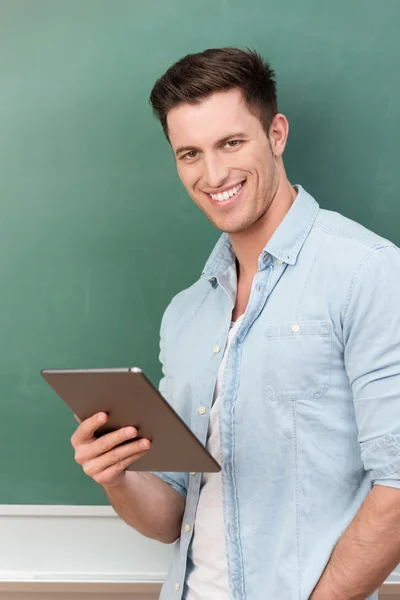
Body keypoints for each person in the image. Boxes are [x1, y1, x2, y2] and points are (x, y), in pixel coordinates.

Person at [70, 48, 400, 600]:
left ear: (276, 133)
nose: (213, 174)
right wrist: (116, 477)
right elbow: (171, 516)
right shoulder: (187, 313)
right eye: (189, 154)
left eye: (231, 143)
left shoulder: (368, 273)